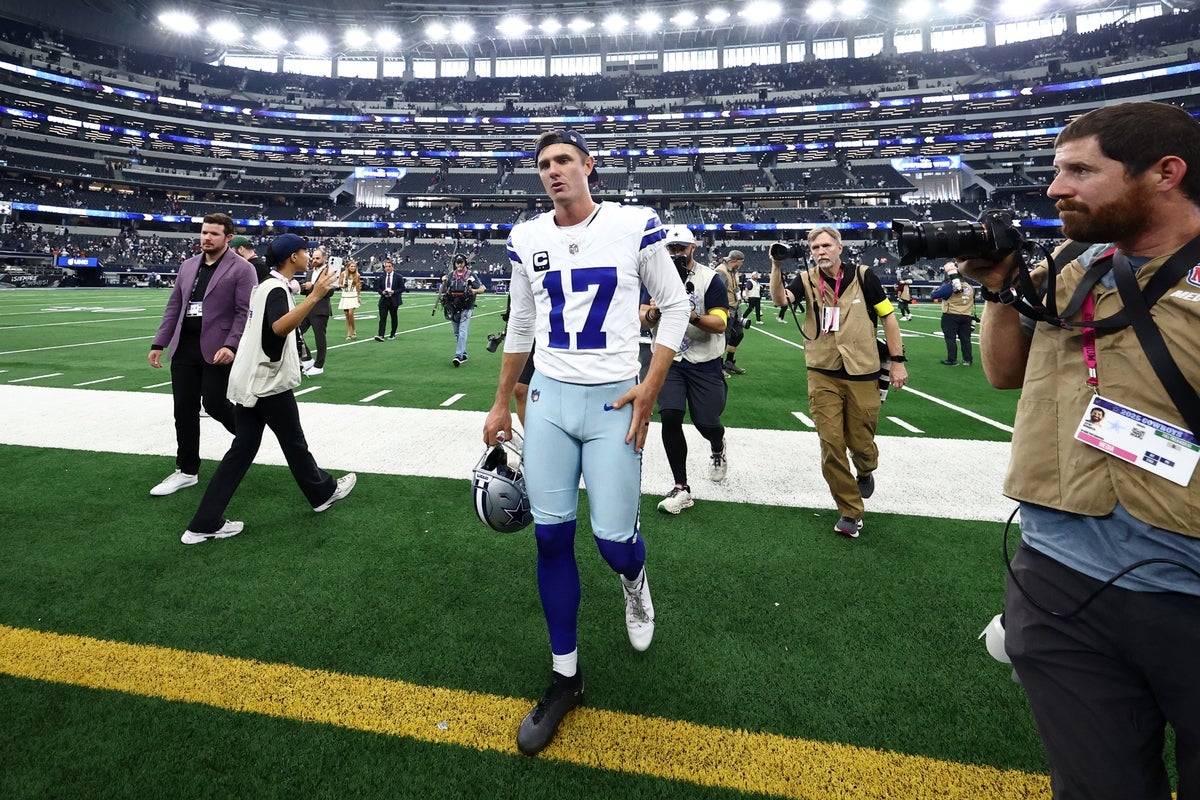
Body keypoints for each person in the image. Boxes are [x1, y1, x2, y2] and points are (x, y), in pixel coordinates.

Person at [957, 101, 1200, 800]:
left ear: (1165, 173)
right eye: (1057, 170)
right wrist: (1001, 289)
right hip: (1061, 574)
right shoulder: (1069, 261)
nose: (1056, 187)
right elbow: (1004, 372)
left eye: (1080, 170)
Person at [482, 128, 689, 758]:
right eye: (543, 164)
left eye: (564, 160)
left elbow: (674, 305)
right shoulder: (527, 236)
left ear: (589, 166)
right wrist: (500, 399)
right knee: (548, 536)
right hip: (548, 396)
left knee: (613, 543)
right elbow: (521, 322)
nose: (553, 171)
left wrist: (651, 385)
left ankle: (635, 576)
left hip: (614, 400)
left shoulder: (634, 223)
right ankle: (565, 677)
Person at [181, 233, 356, 544]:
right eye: (305, 252)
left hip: (253, 379)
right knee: (293, 443)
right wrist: (313, 297)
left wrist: (310, 295)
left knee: (245, 451)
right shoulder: (274, 288)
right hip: (268, 383)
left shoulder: (267, 286)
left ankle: (203, 523)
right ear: (293, 257)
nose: (309, 256)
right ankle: (322, 492)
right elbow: (276, 329)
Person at [768, 225, 908, 538]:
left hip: (862, 370)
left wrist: (897, 362)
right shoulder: (805, 279)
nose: (821, 252)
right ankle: (850, 510)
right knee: (831, 442)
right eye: (815, 248)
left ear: (839, 248)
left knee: (860, 441)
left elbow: (888, 317)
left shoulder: (863, 276)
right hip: (822, 370)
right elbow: (780, 300)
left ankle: (866, 468)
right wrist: (776, 267)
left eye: (826, 246)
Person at [147, 212, 257, 497]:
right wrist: (159, 343)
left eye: (214, 234)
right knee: (183, 408)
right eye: (204, 232)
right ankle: (186, 470)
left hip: (218, 348)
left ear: (228, 238)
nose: (207, 238)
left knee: (215, 404)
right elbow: (175, 307)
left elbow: (243, 312)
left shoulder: (242, 268)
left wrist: (231, 345)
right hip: (185, 346)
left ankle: (248, 438)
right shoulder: (188, 266)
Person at [641, 225, 730, 515]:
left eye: (681, 248)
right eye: (671, 248)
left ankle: (717, 444)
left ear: (693, 248)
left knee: (707, 422)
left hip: (704, 360)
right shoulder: (654, 276)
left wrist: (686, 313)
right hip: (670, 359)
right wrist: (654, 312)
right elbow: (643, 316)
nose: (676, 253)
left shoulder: (710, 278)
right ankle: (681, 487)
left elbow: (720, 323)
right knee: (670, 416)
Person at [439, 253, 485, 367]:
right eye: (457, 262)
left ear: (465, 263)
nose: (459, 264)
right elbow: (444, 290)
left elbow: (481, 288)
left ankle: (458, 355)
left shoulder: (471, 275)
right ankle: (463, 354)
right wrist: (443, 281)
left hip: (466, 306)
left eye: (461, 262)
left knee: (462, 331)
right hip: (452, 306)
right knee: (456, 332)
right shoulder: (450, 275)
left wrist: (474, 291)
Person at [930, 262, 976, 366]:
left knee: (950, 338)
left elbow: (934, 295)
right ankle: (967, 360)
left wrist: (936, 290)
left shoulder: (950, 286)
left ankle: (952, 359)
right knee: (965, 339)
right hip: (966, 315)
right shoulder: (970, 287)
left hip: (951, 315)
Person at [298, 246, 333, 376]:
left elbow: (330, 291)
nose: (315, 260)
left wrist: (312, 287)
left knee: (320, 338)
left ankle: (319, 365)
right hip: (307, 307)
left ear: (324, 258)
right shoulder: (310, 272)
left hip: (320, 309)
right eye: (313, 258)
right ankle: (307, 358)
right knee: (296, 333)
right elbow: (306, 292)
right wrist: (299, 287)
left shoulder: (329, 271)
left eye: (318, 258)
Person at [714, 249, 747, 374]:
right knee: (724, 338)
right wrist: (723, 308)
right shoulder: (721, 271)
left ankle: (729, 362)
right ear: (734, 261)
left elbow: (735, 288)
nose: (741, 265)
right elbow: (718, 292)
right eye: (740, 262)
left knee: (738, 334)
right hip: (727, 309)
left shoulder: (733, 271)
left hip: (736, 308)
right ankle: (719, 366)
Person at [373, 260, 404, 341]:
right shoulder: (382, 277)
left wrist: (394, 292)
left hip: (394, 300)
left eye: (389, 266)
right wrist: (382, 292)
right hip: (384, 299)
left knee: (394, 317)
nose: (387, 268)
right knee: (382, 318)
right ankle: (381, 335)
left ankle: (392, 334)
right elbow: (378, 288)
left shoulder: (398, 277)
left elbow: (402, 288)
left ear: (393, 267)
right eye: (386, 267)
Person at [338, 259, 362, 340]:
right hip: (345, 295)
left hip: (353, 295)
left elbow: (358, 286)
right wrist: (342, 286)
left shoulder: (357, 275)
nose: (353, 268)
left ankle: (354, 330)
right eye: (351, 266)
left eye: (354, 266)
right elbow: (339, 284)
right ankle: (348, 333)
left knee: (351, 314)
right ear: (348, 267)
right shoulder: (343, 274)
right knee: (347, 315)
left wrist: (359, 297)